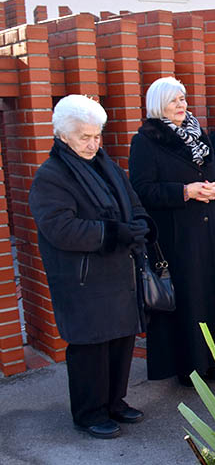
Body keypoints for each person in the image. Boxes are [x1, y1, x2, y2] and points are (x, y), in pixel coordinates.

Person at [30, 95, 150, 439]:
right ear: (63, 136)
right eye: (84, 137)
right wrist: (113, 233)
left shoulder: (106, 164)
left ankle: (114, 402)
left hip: (118, 272)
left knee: (121, 340)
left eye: (96, 136)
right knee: (90, 348)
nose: (93, 143)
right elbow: (59, 228)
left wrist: (141, 224)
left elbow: (132, 200)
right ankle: (88, 412)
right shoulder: (51, 175)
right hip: (82, 277)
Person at [129, 77, 215, 385]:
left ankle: (213, 361)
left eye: (183, 99)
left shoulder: (199, 135)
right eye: (174, 101)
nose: (182, 105)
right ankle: (189, 366)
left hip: (207, 231)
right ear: (159, 104)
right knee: (188, 299)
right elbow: (142, 189)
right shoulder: (146, 139)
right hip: (177, 235)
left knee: (211, 296)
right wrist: (185, 191)